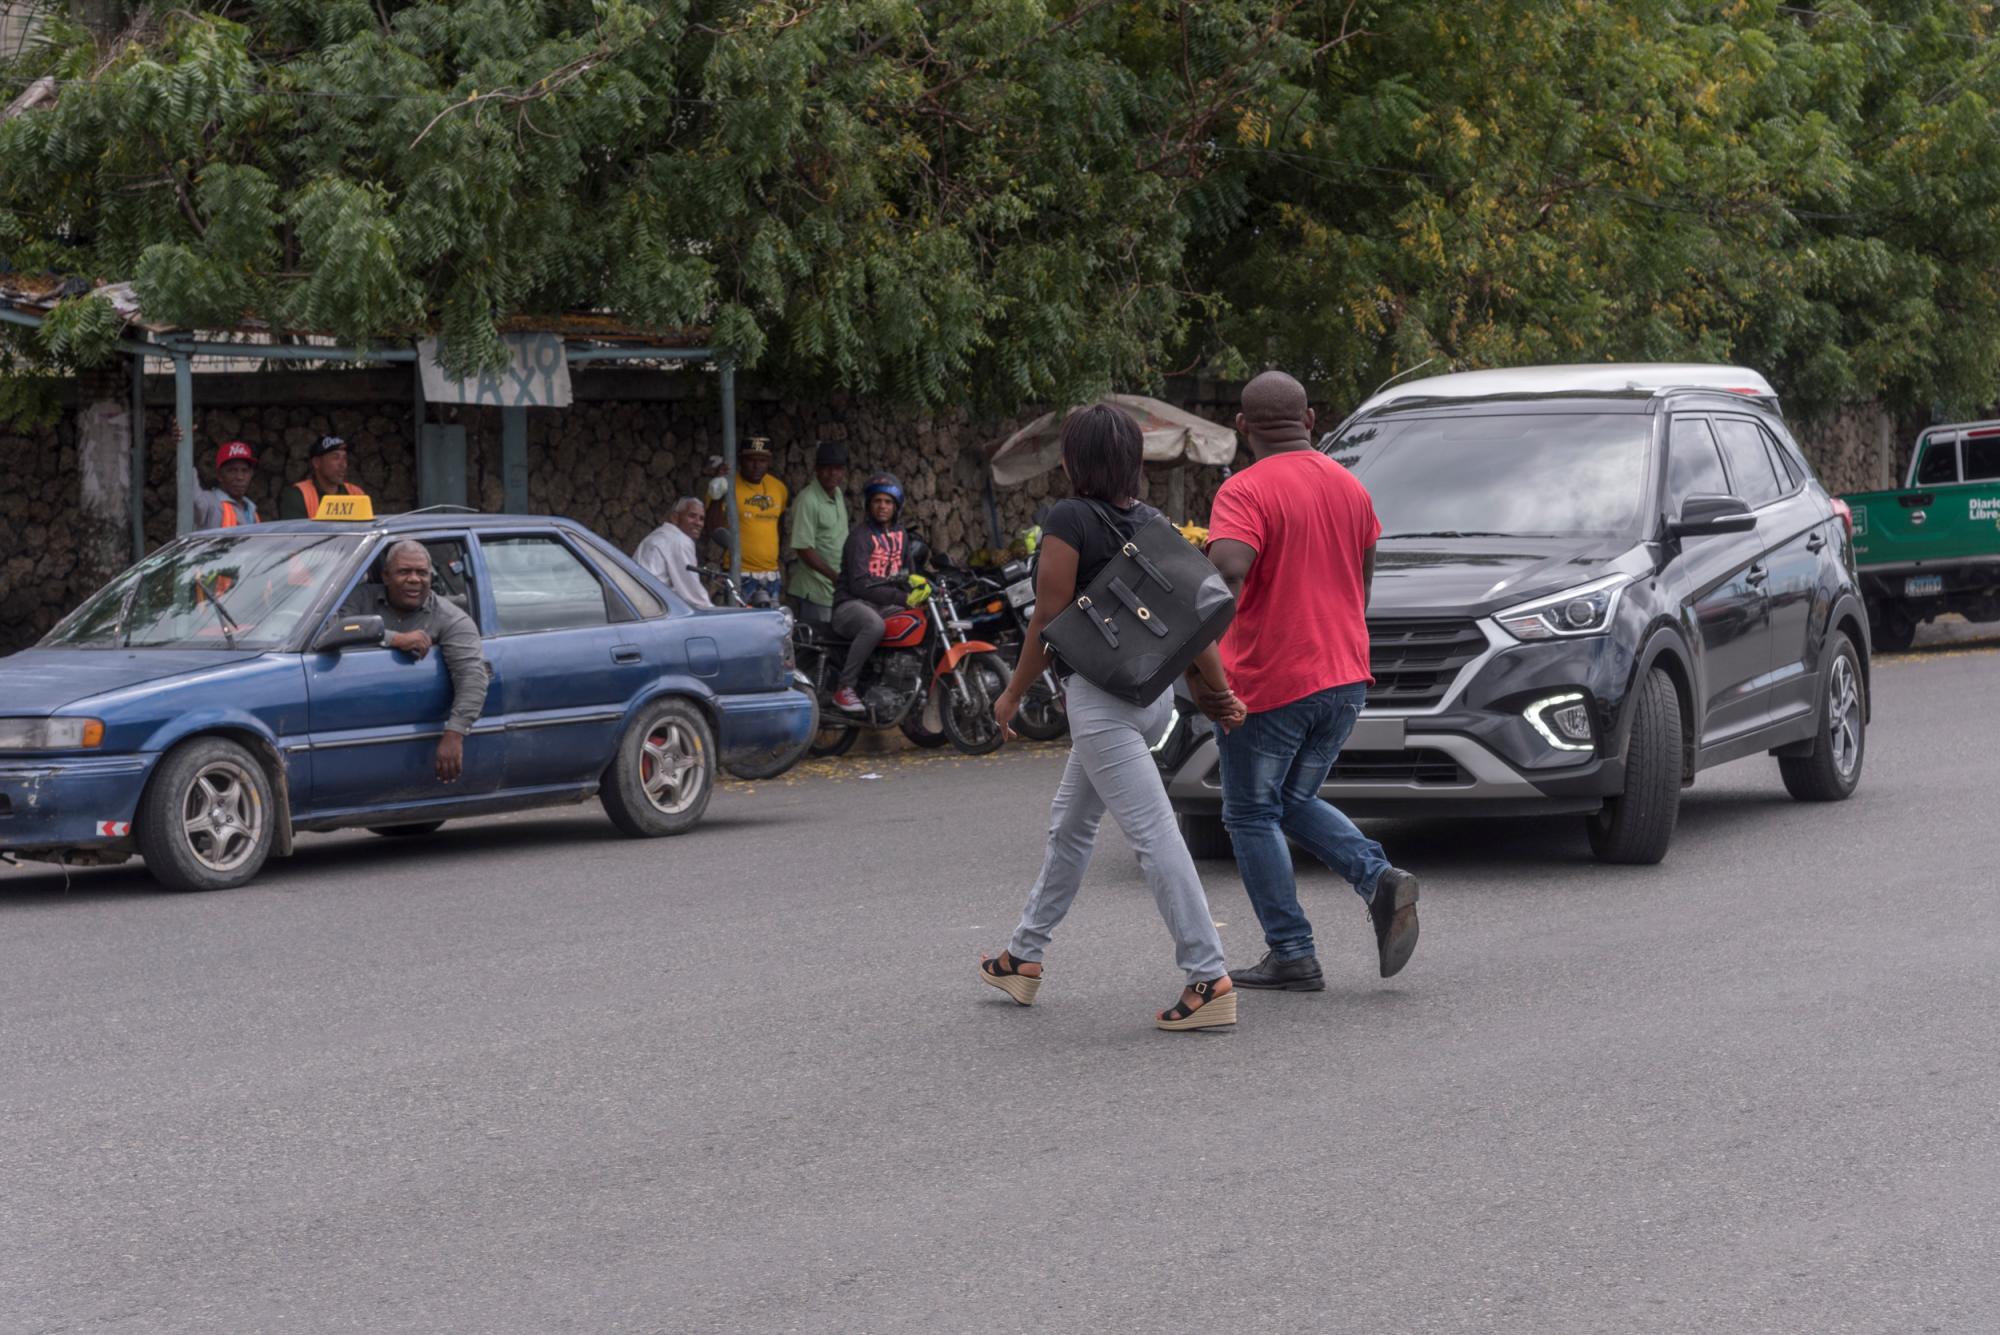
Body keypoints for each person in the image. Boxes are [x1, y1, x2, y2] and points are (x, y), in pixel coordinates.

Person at [982, 405, 1245, 1032]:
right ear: (1132, 459)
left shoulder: (1068, 518)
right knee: (1070, 827)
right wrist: (1220, 690)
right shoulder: (1152, 523)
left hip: (1100, 702)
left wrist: (1012, 694)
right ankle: (1023, 956)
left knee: (1154, 836)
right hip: (1149, 696)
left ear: (1075, 460)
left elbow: (1048, 620)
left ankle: (1208, 976)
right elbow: (1193, 620)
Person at [1196, 370, 1420, 988]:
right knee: (1290, 799)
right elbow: (1363, 580)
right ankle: (1379, 879)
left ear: (1243, 427)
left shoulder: (1243, 491)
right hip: (1344, 677)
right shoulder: (1351, 488)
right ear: (1312, 420)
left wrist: (1204, 659)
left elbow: (1229, 572)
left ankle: (1292, 952)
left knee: (1249, 813)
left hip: (1272, 681)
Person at [346, 540, 491, 783]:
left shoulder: (451, 619)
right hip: (356, 722)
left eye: (422, 572)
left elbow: (472, 677)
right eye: (404, 572)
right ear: (386, 576)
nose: (414, 579)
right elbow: (332, 628)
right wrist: (393, 639)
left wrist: (454, 733)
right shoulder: (360, 599)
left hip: (415, 729)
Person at [828, 472, 927, 714]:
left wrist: (923, 592)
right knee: (874, 626)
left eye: (888, 502)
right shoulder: (859, 537)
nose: (882, 507)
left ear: (897, 506)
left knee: (924, 619)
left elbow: (909, 574)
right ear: (869, 505)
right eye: (877, 501)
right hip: (851, 604)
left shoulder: (901, 535)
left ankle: (913, 684)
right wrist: (901, 599)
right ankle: (845, 688)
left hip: (884, 605)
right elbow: (859, 585)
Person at [705, 437, 788, 606]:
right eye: (751, 460)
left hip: (771, 576)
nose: (757, 466)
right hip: (739, 574)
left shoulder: (779, 488)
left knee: (770, 629)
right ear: (741, 460)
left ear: (769, 461)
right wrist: (718, 495)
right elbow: (713, 527)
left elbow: (778, 525)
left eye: (762, 460)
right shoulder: (728, 485)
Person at [784, 440, 849, 628]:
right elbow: (803, 548)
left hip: (834, 590)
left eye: (837, 468)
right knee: (816, 648)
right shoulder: (808, 499)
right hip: (814, 591)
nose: (832, 473)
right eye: (826, 468)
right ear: (816, 469)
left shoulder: (837, 494)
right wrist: (834, 576)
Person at [634, 497, 714, 609]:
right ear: (675, 518)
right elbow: (693, 593)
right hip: (651, 608)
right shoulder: (679, 541)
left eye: (701, 519)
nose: (698, 523)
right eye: (692, 516)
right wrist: (712, 611)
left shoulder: (659, 534)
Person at [279, 435, 368, 520]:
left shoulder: (357, 493)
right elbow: (296, 534)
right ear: (316, 463)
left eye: (345, 458)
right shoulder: (299, 495)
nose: (343, 464)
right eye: (336, 458)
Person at [191, 441, 261, 529]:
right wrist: (183, 443)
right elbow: (193, 496)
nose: (240, 477)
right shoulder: (209, 502)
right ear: (219, 475)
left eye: (244, 470)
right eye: (232, 470)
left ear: (251, 474)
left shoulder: (250, 508)